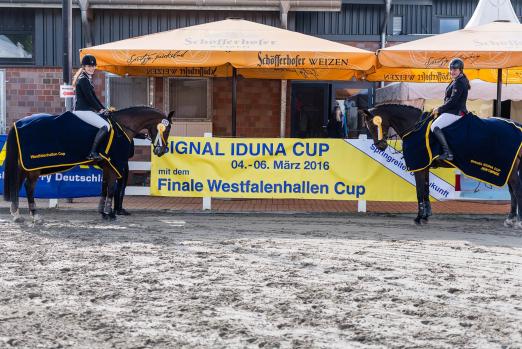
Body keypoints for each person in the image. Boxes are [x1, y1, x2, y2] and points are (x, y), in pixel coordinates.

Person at [430, 58, 471, 161]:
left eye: (455, 69)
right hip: (452, 111)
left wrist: (440, 109)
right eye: (451, 69)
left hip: (455, 112)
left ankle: (448, 153)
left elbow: (453, 101)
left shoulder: (459, 82)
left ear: (460, 70)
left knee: (434, 126)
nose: (452, 72)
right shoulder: (458, 80)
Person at [73, 54, 111, 161]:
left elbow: (94, 97)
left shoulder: (86, 78)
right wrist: (100, 109)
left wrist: (103, 109)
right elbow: (89, 98)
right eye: (89, 66)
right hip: (82, 111)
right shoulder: (83, 80)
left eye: (93, 66)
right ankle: (92, 152)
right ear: (84, 67)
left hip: (86, 110)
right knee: (105, 126)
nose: (92, 68)